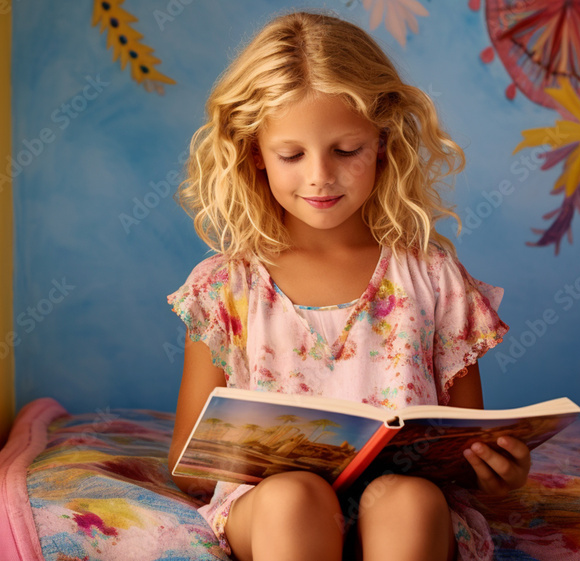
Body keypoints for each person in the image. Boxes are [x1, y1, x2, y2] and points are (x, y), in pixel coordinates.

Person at [165, 10, 528, 561]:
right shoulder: (224, 287)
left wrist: (497, 472)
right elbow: (187, 464)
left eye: (346, 150)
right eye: (292, 154)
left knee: (406, 499)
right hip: (274, 513)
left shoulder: (432, 279)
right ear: (254, 153)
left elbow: (465, 447)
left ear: (382, 142)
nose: (320, 176)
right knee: (293, 497)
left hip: (408, 512)